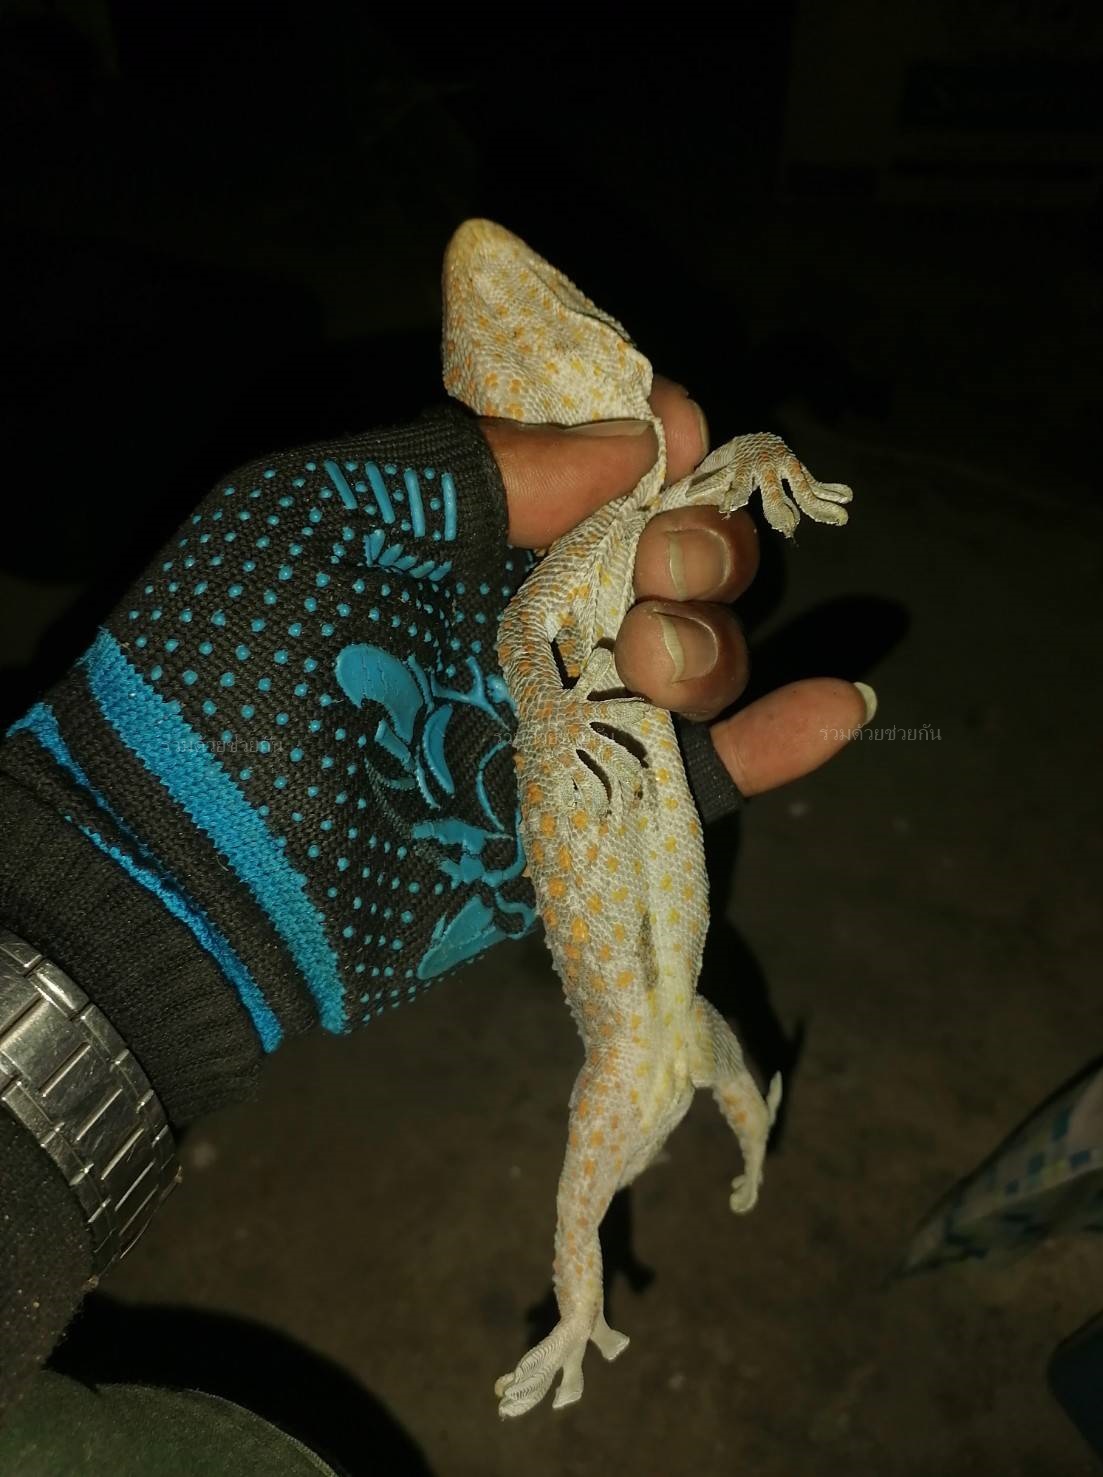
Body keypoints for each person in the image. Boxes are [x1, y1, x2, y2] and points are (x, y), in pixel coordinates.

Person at [0, 375, 871, 1467]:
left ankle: (724, 468)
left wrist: (120, 883)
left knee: (634, 530)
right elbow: (611, 1194)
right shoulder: (672, 1049)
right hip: (600, 772)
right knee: (638, 539)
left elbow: (607, 1197)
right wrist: (584, 1309)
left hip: (582, 768)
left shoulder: (649, 1059)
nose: (614, 1151)